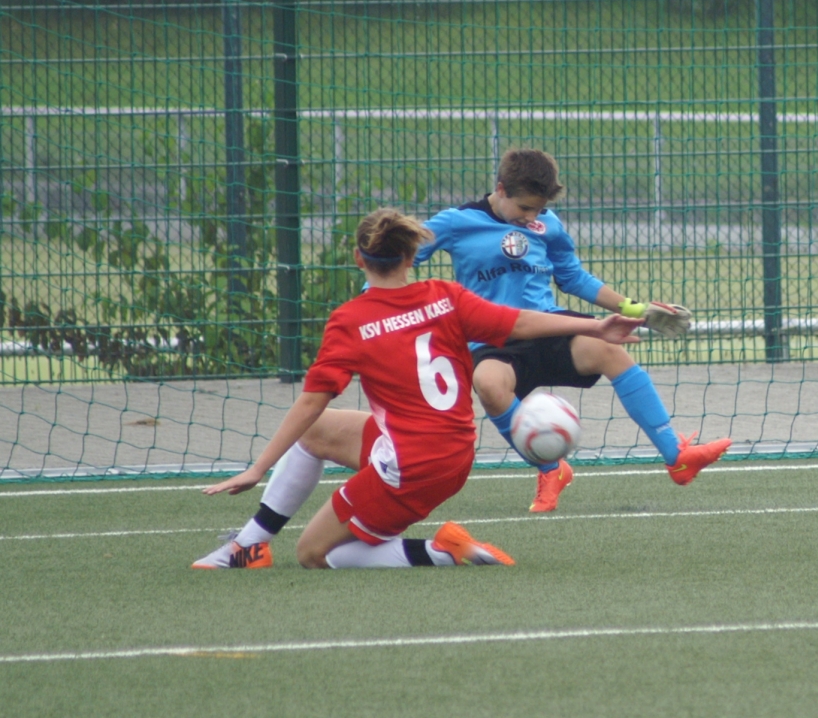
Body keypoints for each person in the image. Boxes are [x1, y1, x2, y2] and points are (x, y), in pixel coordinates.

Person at [192, 207, 643, 570]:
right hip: (454, 452)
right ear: (411, 258)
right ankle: (248, 547)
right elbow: (521, 322)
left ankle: (440, 551)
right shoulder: (445, 296)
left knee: (313, 554)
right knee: (317, 433)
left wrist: (258, 468)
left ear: (359, 259)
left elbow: (311, 400)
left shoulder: (351, 320)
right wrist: (595, 326)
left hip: (411, 468)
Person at [413, 148, 731, 512]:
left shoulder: (548, 224)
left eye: (539, 210)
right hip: (495, 338)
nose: (531, 217)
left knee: (610, 351)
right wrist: (387, 298)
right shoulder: (457, 222)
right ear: (501, 189)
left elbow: (573, 277)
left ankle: (677, 458)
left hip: (548, 324)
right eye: (525, 208)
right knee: (487, 384)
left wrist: (635, 309)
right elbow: (404, 253)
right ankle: (551, 470)